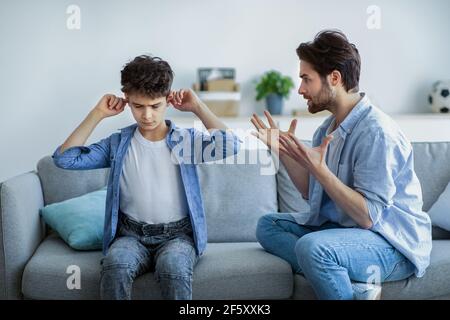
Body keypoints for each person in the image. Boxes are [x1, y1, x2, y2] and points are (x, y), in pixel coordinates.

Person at [252, 30, 432, 300]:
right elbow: (309, 192)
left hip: (391, 243)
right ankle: (352, 283)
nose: (300, 89)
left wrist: (321, 171)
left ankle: (334, 271)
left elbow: (368, 216)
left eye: (306, 79)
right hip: (348, 234)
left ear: (334, 78)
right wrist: (282, 152)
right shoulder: (326, 129)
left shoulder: (376, 132)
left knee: (313, 248)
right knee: (268, 226)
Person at [53, 55, 241, 299]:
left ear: (168, 101)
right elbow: (65, 159)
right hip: (130, 235)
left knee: (174, 268)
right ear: (128, 101)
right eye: (138, 106)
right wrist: (97, 113)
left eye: (155, 106)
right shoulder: (118, 144)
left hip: (178, 236)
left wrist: (197, 106)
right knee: (116, 265)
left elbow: (231, 146)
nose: (147, 116)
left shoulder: (185, 141)